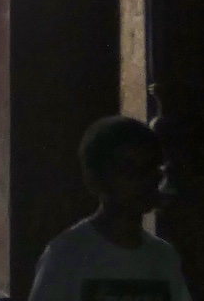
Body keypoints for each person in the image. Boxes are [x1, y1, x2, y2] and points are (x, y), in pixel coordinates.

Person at [27, 117, 192, 301]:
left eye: (149, 170)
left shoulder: (164, 258)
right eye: (129, 171)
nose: (144, 181)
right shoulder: (66, 255)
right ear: (96, 180)